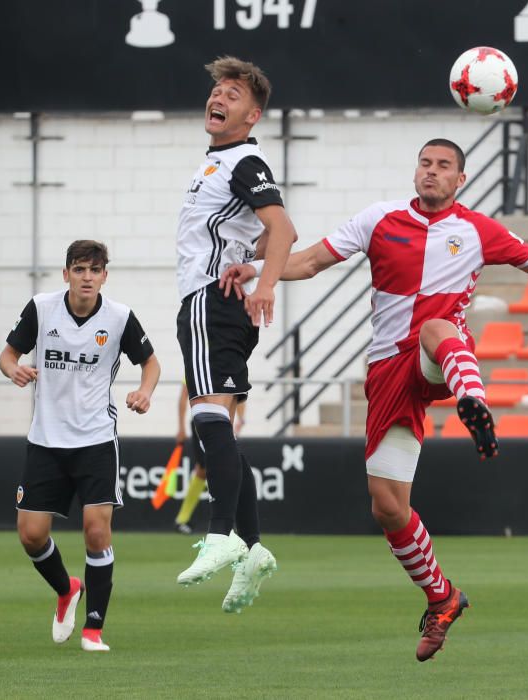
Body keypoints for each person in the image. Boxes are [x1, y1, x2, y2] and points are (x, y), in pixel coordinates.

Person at [220, 138, 528, 661]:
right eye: (425, 163)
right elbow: (310, 261)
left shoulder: (478, 229)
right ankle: (442, 596)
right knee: (387, 506)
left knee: (436, 325)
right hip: (387, 372)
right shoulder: (379, 219)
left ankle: (475, 401)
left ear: (460, 179)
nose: (431, 172)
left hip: (438, 355)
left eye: (443, 166)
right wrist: (258, 271)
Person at [174, 55, 296, 614]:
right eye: (215, 90)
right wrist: (252, 268)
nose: (217, 98)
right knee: (220, 423)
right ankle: (252, 548)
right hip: (220, 302)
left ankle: (222, 534)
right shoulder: (220, 161)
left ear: (254, 114)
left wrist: (266, 282)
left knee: (208, 418)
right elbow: (259, 232)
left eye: (232, 93)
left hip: (208, 303)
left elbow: (283, 229)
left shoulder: (243, 162)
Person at [0, 240, 160, 652]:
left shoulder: (120, 318)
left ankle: (93, 629)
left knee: (95, 530)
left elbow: (151, 363)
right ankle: (67, 589)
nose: (87, 277)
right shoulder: (42, 308)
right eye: (79, 269)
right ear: (66, 273)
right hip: (46, 440)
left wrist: (144, 392)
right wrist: (13, 370)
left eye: (94, 270)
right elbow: (7, 355)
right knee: (31, 536)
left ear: (105, 276)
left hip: (95, 441)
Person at [173, 382, 245, 535]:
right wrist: (181, 427)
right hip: (203, 420)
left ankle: (227, 521)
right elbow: (183, 396)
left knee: (223, 468)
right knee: (204, 469)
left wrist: (241, 419)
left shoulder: (230, 362)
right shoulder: (198, 360)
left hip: (224, 422)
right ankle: (182, 519)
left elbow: (239, 392)